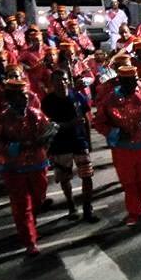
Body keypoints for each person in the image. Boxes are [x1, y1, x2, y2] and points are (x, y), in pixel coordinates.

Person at [0, 78, 53, 255]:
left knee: (39, 197)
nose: (25, 99)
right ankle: (29, 241)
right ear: (12, 99)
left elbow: (47, 133)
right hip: (14, 167)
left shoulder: (36, 114)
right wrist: (14, 148)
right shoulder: (2, 118)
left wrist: (47, 138)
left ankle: (30, 223)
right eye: (21, 97)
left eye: (26, 96)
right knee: (22, 204)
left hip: (37, 164)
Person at [93, 65, 141, 225]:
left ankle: (140, 201)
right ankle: (134, 212)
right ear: (121, 81)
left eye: (135, 80)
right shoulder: (109, 99)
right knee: (129, 183)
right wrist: (117, 133)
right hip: (122, 149)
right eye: (130, 81)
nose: (135, 84)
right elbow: (99, 122)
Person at [42, 69, 98, 222]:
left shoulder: (78, 96)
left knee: (87, 175)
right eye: (57, 80)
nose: (62, 83)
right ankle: (71, 205)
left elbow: (86, 118)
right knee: (65, 177)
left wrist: (88, 140)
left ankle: (88, 208)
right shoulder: (47, 102)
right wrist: (68, 124)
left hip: (79, 141)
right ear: (52, 83)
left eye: (64, 79)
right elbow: (47, 125)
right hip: (60, 145)